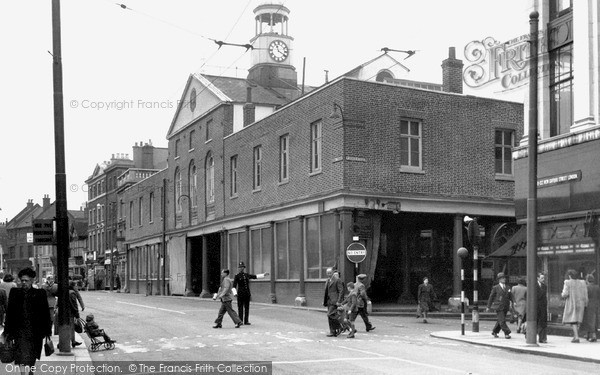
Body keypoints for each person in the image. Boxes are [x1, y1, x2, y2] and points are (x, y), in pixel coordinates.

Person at [2, 268, 51, 373]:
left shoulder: (40, 293)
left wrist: (47, 331)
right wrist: (7, 331)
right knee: (21, 355)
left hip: (35, 331)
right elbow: (10, 313)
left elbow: (45, 313)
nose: (24, 282)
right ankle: (23, 373)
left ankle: (30, 371)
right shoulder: (15, 293)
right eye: (22, 280)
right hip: (20, 330)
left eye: (26, 280)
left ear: (32, 280)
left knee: (32, 354)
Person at [561, 269, 588, 343]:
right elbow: (586, 294)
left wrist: (562, 295)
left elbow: (565, 294)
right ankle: (575, 335)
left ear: (569, 276)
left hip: (572, 303)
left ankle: (576, 337)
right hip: (581, 303)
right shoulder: (582, 282)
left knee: (573, 321)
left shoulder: (567, 282)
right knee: (578, 320)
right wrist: (585, 303)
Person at [486, 272, 513, 339]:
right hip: (499, 306)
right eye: (502, 278)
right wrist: (488, 306)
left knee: (500, 320)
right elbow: (491, 297)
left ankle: (495, 331)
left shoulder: (508, 287)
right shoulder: (495, 287)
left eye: (504, 278)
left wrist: (513, 302)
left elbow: (511, 296)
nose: (504, 279)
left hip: (506, 306)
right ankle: (507, 333)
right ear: (499, 279)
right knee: (502, 320)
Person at [323, 267, 344, 337]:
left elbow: (341, 291)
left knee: (330, 314)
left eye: (330, 273)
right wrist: (324, 301)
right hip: (328, 301)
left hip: (334, 301)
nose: (329, 274)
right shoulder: (327, 280)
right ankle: (332, 331)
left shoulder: (337, 280)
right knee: (330, 317)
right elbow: (326, 291)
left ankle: (340, 326)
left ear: (332, 273)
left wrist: (339, 301)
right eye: (327, 273)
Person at [581, 274, 600, 342]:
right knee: (594, 319)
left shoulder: (586, 287)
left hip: (588, 305)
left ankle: (593, 335)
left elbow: (584, 297)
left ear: (587, 280)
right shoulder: (597, 287)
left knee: (589, 320)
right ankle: (589, 334)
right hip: (596, 305)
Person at [68, 281, 84, 347]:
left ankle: (73, 341)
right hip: (70, 313)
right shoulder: (72, 293)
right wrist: (77, 315)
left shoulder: (68, 291)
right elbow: (74, 305)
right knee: (71, 327)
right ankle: (69, 342)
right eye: (76, 285)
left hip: (66, 312)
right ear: (73, 286)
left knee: (70, 327)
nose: (77, 287)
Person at [536, 272, 548, 343]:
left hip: (543, 306)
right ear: (537, 278)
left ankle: (542, 338)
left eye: (544, 278)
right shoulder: (534, 286)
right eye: (542, 278)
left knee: (542, 323)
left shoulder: (544, 286)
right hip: (536, 307)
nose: (543, 279)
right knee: (536, 322)